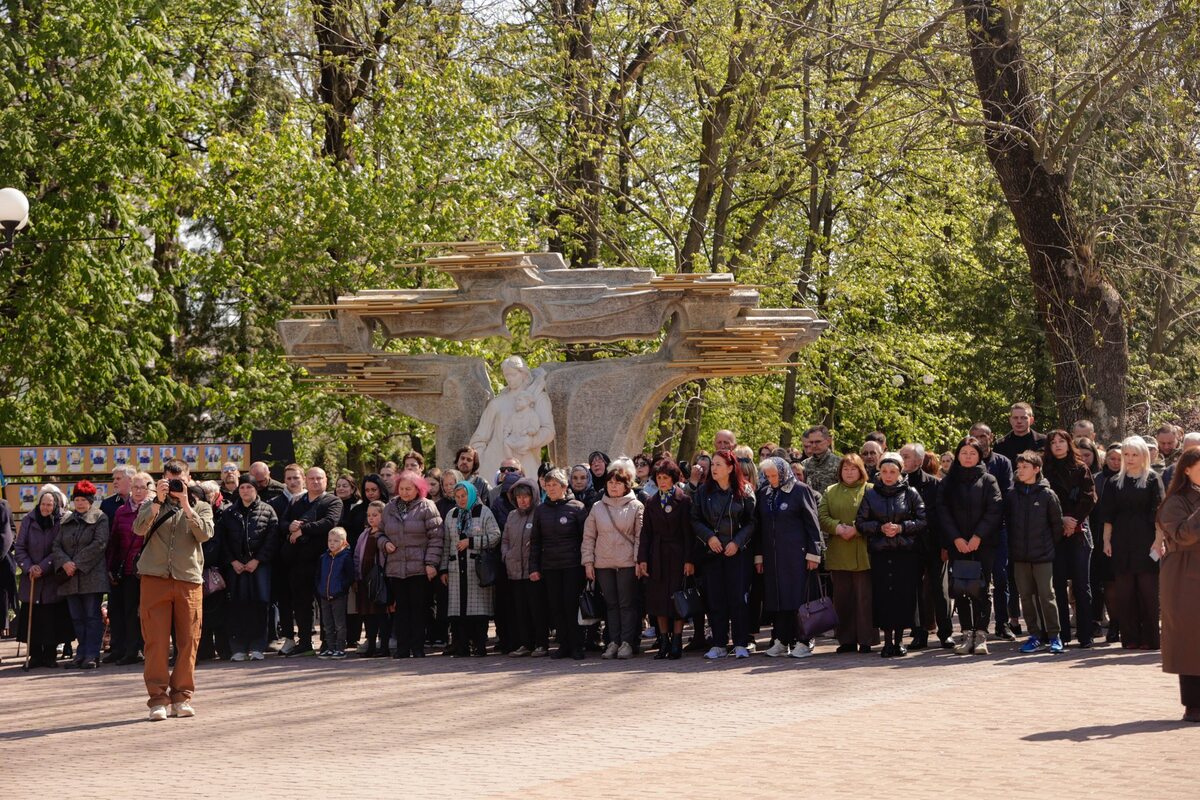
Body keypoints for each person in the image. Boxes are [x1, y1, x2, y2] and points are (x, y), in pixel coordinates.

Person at [134, 459, 215, 720]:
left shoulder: (201, 506)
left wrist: (185, 505)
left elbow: (205, 535)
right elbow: (138, 529)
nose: (177, 484)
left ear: (189, 479)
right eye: (171, 480)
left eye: (181, 479)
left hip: (188, 580)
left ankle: (181, 697)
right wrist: (157, 500)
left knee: (189, 641)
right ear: (163, 480)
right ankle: (158, 699)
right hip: (154, 579)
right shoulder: (150, 504)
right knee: (155, 642)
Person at [937, 437, 1003, 656]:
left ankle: (981, 635)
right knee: (961, 588)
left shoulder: (988, 480)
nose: (967, 457)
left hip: (983, 545)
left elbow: (994, 511)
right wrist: (955, 538)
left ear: (979, 456)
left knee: (982, 588)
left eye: (972, 453)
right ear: (957, 455)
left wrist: (978, 537)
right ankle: (966, 634)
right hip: (958, 545)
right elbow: (942, 512)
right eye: (963, 452)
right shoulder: (948, 481)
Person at [856, 453, 927, 657]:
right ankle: (887, 641)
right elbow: (861, 522)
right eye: (885, 471)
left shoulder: (911, 493)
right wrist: (880, 528)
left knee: (903, 597)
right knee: (883, 597)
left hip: (905, 552)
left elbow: (922, 520)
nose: (888, 476)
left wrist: (901, 528)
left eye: (893, 472)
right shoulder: (871, 494)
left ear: (900, 472)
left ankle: (899, 641)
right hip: (880, 552)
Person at [1100, 436, 1165, 650]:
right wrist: (1106, 541)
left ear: (1144, 456)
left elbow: (1159, 513)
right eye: (1126, 454)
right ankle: (1130, 638)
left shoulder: (1153, 479)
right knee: (1125, 594)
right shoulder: (1113, 482)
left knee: (1147, 593)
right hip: (1121, 541)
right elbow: (1108, 515)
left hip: (1146, 540)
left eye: (1134, 454)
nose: (1129, 458)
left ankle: (1150, 639)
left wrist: (1158, 542)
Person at [691, 450, 756, 659]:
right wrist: (709, 537)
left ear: (730, 467)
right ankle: (719, 643)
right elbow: (695, 519)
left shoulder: (745, 490)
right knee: (715, 598)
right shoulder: (703, 491)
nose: (714, 468)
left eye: (719, 464)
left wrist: (737, 542)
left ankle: (740, 643)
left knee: (739, 598)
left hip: (738, 553)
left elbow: (752, 521)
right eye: (713, 464)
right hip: (713, 552)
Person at [757, 456, 823, 658]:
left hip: (797, 555)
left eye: (774, 475)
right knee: (778, 598)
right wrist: (759, 556)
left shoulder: (800, 490)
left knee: (799, 599)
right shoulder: (764, 493)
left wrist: (814, 553)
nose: (771, 479)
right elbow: (760, 527)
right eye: (767, 476)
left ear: (784, 472)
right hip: (773, 557)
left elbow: (813, 524)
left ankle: (804, 640)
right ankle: (781, 640)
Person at [583, 458, 645, 659]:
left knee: (627, 604)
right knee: (611, 604)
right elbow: (589, 536)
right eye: (610, 483)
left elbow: (639, 537)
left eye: (618, 483)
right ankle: (613, 641)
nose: (614, 486)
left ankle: (627, 642)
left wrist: (638, 561)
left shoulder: (636, 506)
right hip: (603, 563)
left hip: (627, 564)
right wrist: (588, 562)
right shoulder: (597, 507)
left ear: (626, 485)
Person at [377, 470, 442, 658]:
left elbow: (436, 537)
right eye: (402, 488)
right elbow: (379, 533)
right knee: (401, 610)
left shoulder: (427, 507)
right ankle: (403, 648)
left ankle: (418, 647)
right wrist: (385, 543)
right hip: (396, 568)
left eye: (409, 488)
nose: (405, 492)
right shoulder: (390, 507)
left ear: (418, 489)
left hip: (419, 569)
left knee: (419, 609)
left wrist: (431, 563)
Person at [1156, 448, 1200, 722]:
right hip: (1186, 577)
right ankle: (1194, 705)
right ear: (1187, 469)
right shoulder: (1175, 502)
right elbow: (1184, 535)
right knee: (1190, 640)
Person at [279, 467, 342, 657]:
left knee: (325, 603)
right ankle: (305, 642)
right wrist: (290, 526)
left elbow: (330, 522)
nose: (315, 482)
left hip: (324, 561)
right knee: (300, 603)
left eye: (319, 478)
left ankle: (327, 642)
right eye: (312, 478)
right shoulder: (297, 501)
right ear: (305, 480)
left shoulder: (333, 501)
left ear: (326, 480)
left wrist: (302, 529)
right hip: (298, 563)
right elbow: (282, 523)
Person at [1042, 430, 1097, 647]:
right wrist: (1061, 520)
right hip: (1054, 533)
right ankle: (1062, 634)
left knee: (1082, 585)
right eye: (1053, 442)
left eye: (1061, 442)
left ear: (1068, 444)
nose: (1057, 445)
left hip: (1078, 531)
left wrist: (1072, 520)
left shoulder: (1081, 468)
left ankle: (1085, 634)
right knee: (1057, 584)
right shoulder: (1044, 469)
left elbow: (1089, 497)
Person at [1007, 451, 1066, 654]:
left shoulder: (1047, 494)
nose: (1021, 470)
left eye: (1025, 467)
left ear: (1036, 469)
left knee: (1046, 596)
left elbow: (1057, 526)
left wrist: (1046, 546)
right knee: (1026, 597)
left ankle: (1054, 636)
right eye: (1019, 467)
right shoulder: (1012, 494)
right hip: (1019, 556)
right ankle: (1034, 635)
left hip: (1043, 556)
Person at [218, 475, 280, 661]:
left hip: (259, 567)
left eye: (249, 487)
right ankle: (238, 647)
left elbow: (272, 539)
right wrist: (232, 561)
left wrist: (258, 560)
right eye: (243, 487)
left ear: (256, 489)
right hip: (235, 567)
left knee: (260, 605)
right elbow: (223, 540)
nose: (246, 491)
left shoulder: (268, 510)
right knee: (237, 605)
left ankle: (258, 646)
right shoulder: (229, 512)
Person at [818, 454, 875, 653]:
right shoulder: (830, 491)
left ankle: (866, 639)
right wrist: (837, 528)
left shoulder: (870, 490)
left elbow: (876, 515)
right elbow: (822, 516)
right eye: (845, 469)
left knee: (864, 598)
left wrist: (856, 529)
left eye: (853, 469)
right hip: (839, 551)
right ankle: (846, 639)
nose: (849, 472)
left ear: (861, 471)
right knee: (843, 599)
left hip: (863, 552)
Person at [530, 468, 588, 659]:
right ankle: (563, 645)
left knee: (571, 605)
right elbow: (536, 542)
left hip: (572, 566)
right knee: (556, 606)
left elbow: (585, 539)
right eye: (548, 485)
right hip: (550, 566)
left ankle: (577, 645)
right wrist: (534, 568)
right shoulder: (540, 510)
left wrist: (586, 563)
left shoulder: (577, 507)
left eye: (555, 485)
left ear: (564, 487)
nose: (551, 489)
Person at [637, 459, 692, 660]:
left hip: (677, 555)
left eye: (665, 478)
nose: (662, 482)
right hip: (657, 555)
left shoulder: (683, 500)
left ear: (673, 479)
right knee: (658, 600)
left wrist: (689, 560)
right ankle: (664, 641)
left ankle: (677, 641)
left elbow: (688, 533)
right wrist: (642, 559)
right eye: (659, 478)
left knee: (677, 598)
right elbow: (646, 534)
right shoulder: (651, 501)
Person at [53, 480, 111, 669]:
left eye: (83, 500)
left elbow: (99, 544)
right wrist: (65, 563)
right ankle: (81, 653)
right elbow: (56, 545)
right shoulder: (66, 520)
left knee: (92, 616)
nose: (79, 503)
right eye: (77, 499)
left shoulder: (100, 517)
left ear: (91, 501)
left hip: (91, 577)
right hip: (70, 578)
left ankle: (92, 654)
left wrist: (76, 564)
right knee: (77, 617)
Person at [441, 480, 501, 656]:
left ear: (472, 495)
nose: (460, 500)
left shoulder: (483, 512)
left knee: (478, 611)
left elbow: (495, 536)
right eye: (457, 496)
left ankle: (480, 645)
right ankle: (461, 646)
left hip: (476, 569)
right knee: (458, 612)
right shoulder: (451, 515)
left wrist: (472, 542)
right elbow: (446, 543)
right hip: (455, 570)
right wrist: (443, 569)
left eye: (464, 496)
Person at [970, 422, 1018, 640]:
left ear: (991, 437)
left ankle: (1002, 623)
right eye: (975, 435)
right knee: (975, 579)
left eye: (984, 435)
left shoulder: (1002, 462)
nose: (980, 439)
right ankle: (976, 626)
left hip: (999, 529)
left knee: (1001, 578)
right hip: (972, 531)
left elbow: (1008, 494)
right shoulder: (966, 461)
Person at [15, 488, 72, 668]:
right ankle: (35, 656)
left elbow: (59, 548)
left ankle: (49, 656)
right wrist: (29, 566)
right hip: (31, 577)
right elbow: (20, 547)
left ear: (55, 506)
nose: (46, 508)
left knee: (50, 619)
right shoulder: (28, 520)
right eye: (43, 504)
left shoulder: (60, 522)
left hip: (51, 577)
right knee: (33, 619)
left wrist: (44, 566)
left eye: (49, 505)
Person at [104, 470, 150, 665]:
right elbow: (113, 542)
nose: (138, 491)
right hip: (126, 568)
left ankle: (140, 649)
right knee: (124, 610)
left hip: (148, 569)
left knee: (145, 612)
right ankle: (125, 649)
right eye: (135, 487)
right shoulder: (122, 511)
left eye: (142, 487)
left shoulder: (154, 509)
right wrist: (110, 567)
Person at [501, 476, 547, 656]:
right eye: (518, 497)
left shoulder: (539, 513)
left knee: (537, 609)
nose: (522, 500)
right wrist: (507, 555)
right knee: (520, 610)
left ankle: (541, 644)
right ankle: (525, 644)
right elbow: (505, 540)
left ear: (533, 496)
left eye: (525, 496)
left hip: (533, 571)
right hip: (514, 571)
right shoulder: (512, 516)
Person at [1092, 443, 1124, 642]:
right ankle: (1114, 624)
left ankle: (1128, 623)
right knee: (1108, 583)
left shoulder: (1131, 479)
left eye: (1119, 458)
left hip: (1127, 537)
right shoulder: (1097, 479)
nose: (1116, 462)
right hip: (1101, 537)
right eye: (1112, 458)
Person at [354, 500, 390, 657]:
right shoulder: (364, 534)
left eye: (375, 515)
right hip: (365, 581)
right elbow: (357, 556)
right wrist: (357, 576)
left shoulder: (385, 534)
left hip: (380, 581)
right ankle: (370, 645)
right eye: (369, 515)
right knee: (367, 615)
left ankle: (384, 646)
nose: (371, 518)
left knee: (381, 615)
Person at [315, 527, 355, 659]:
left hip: (338, 596)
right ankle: (330, 647)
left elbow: (350, 576)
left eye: (336, 541)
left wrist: (341, 589)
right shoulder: (323, 557)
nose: (332, 543)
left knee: (339, 623)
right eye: (330, 540)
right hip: (324, 596)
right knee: (327, 623)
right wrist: (320, 589)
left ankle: (340, 648)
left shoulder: (346, 557)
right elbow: (318, 575)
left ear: (344, 542)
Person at [801, 425, 840, 495]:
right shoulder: (804, 464)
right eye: (811, 442)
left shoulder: (840, 464)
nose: (814, 446)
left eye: (818, 442)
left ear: (829, 441)